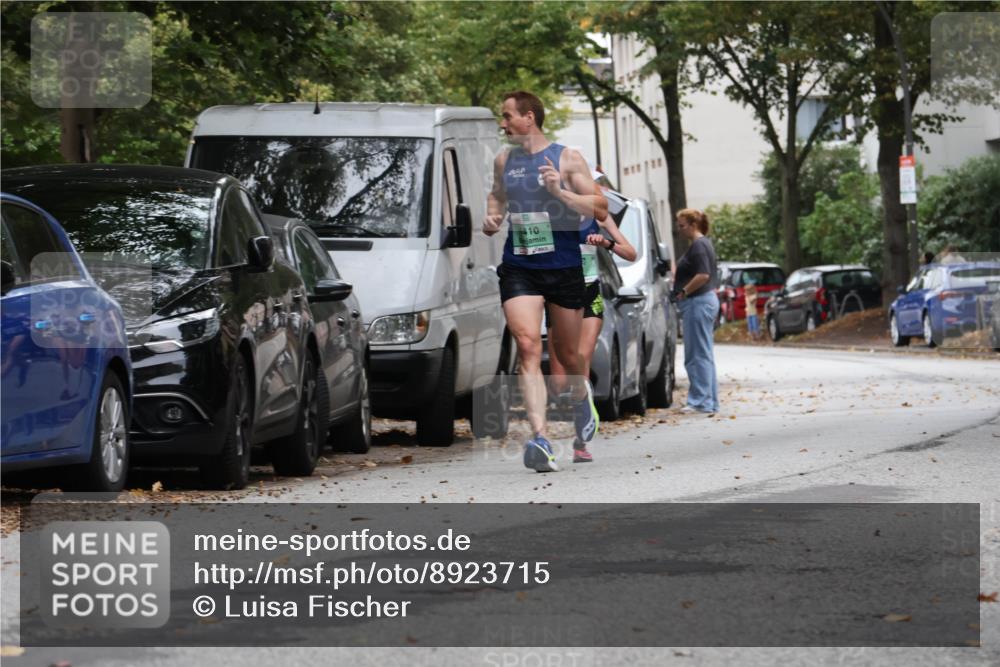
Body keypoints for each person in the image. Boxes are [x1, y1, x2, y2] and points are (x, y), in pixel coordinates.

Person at [483, 91, 608, 473]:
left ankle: (580, 396)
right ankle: (540, 437)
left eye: (507, 116)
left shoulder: (567, 157)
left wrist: (560, 191)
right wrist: (492, 217)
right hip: (520, 264)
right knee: (526, 346)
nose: (502, 124)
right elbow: (497, 196)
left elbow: (600, 207)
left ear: (529, 117)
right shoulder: (504, 160)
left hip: (564, 265)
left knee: (569, 361)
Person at [547, 205, 637, 463]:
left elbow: (631, 253)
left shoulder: (599, 216)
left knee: (582, 359)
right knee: (559, 380)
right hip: (558, 292)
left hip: (589, 292)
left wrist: (606, 243)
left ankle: (580, 443)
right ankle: (580, 410)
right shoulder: (550, 211)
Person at [673, 208, 719, 414]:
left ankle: (700, 401)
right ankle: (709, 401)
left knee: (696, 354)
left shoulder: (699, 246)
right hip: (703, 301)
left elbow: (703, 275)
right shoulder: (702, 244)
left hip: (698, 302)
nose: (679, 230)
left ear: (693, 225)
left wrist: (683, 291)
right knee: (704, 352)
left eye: (682, 225)